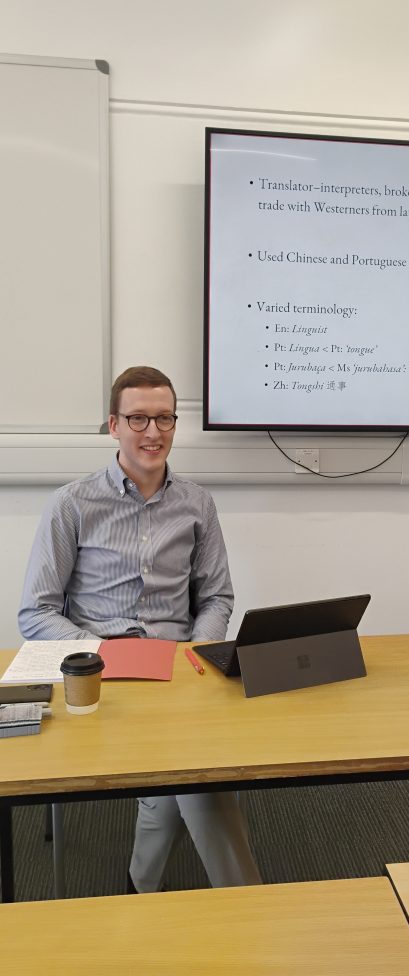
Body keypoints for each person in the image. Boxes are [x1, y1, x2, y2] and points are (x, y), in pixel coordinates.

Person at [19, 365, 262, 893]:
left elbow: (216, 597)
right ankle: (245, 902)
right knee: (199, 779)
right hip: (102, 681)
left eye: (164, 418)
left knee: (183, 773)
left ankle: (138, 891)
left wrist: (199, 651)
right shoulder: (72, 504)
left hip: (179, 673)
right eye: (138, 419)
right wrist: (101, 652)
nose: (153, 432)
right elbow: (35, 613)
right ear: (114, 425)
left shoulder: (197, 503)